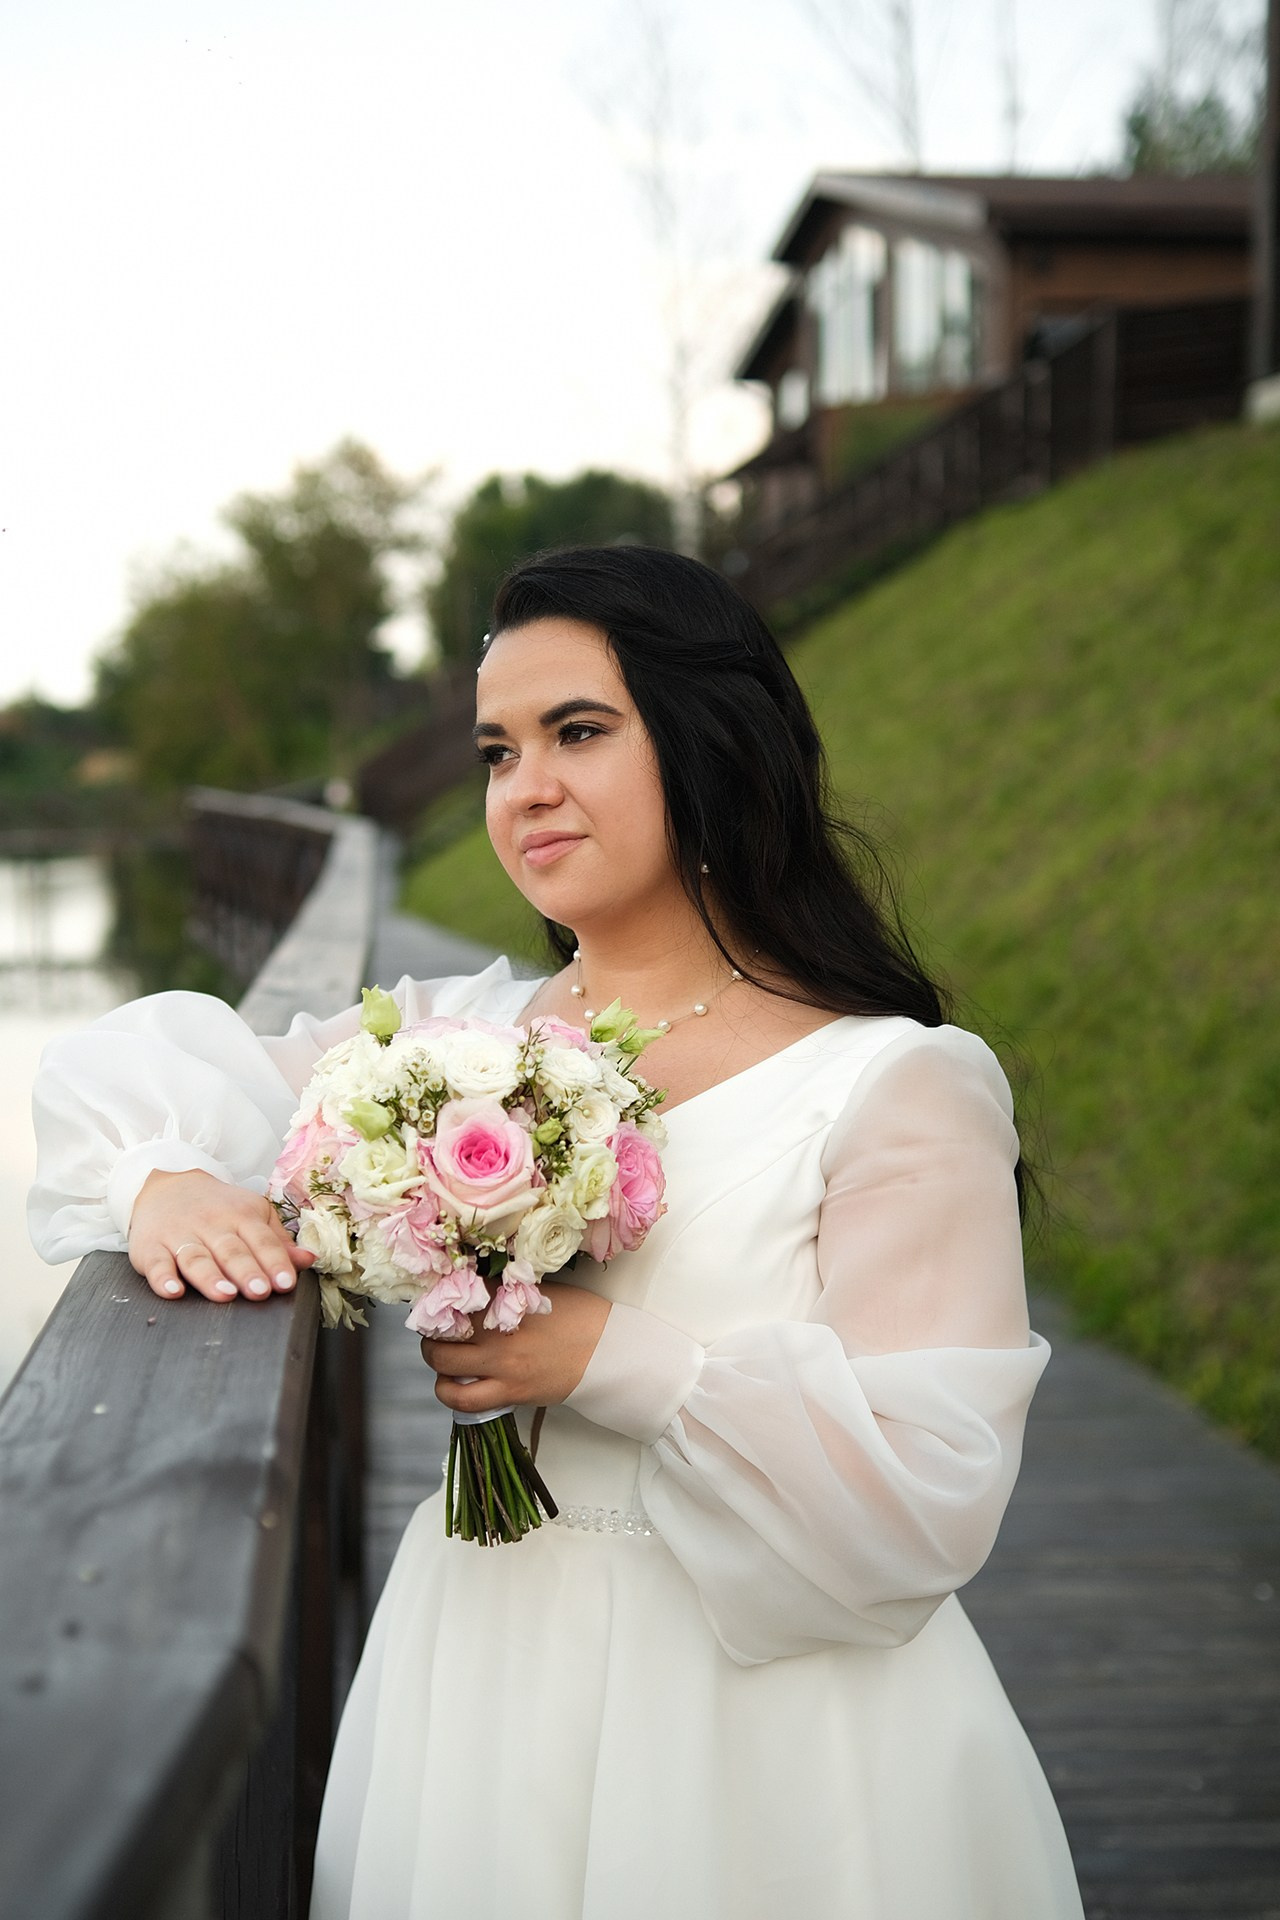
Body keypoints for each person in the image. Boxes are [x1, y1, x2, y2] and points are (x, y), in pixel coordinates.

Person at [29, 545, 1085, 1919]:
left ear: (709, 741)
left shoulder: (893, 1081)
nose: (525, 787)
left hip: (762, 1720)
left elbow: (928, 1490)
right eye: (495, 750)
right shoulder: (455, 1042)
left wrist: (607, 1359)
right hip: (484, 1665)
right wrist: (162, 1182)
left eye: (578, 732)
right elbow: (122, 1073)